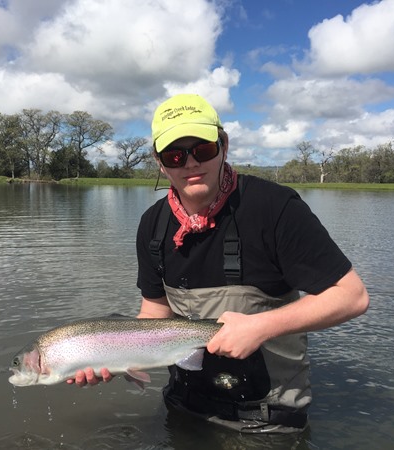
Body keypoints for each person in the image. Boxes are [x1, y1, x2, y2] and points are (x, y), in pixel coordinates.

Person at [68, 93, 369, 433]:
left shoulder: (275, 208)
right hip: (184, 406)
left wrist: (260, 327)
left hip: (266, 422)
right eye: (175, 154)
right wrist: (106, 357)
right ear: (159, 161)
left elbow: (351, 296)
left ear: (223, 145)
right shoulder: (153, 225)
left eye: (203, 149)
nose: (191, 163)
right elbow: (154, 314)